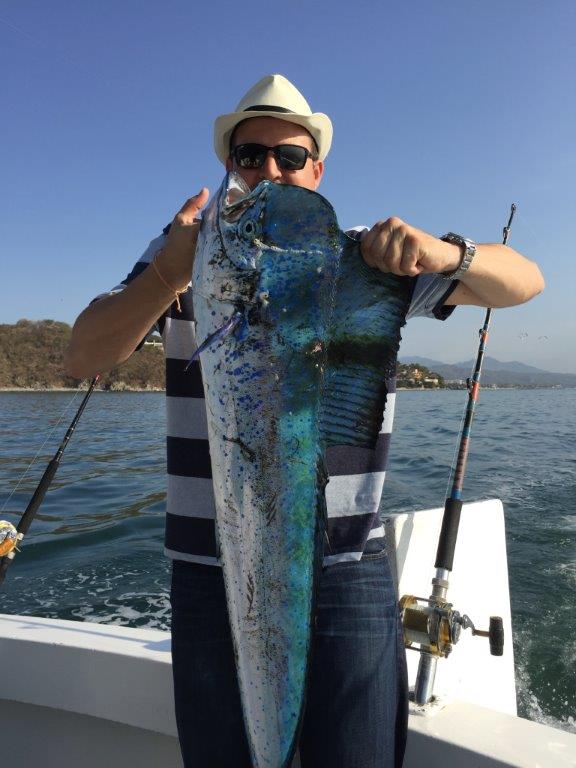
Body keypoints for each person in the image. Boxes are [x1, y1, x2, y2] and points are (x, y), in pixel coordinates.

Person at [65, 74, 544, 768]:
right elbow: (84, 356)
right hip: (210, 568)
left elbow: (526, 281)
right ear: (229, 166)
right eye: (250, 155)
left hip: (349, 565)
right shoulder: (189, 251)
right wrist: (169, 272)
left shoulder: (358, 258)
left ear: (316, 169)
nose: (270, 170)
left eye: (289, 158)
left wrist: (444, 254)